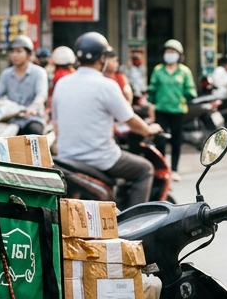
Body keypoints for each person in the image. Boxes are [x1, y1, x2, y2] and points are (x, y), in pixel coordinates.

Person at [52, 33, 161, 209]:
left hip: (66, 158)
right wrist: (148, 130)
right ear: (102, 58)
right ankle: (135, 224)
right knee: (145, 169)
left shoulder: (61, 83)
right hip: (100, 159)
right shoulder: (107, 85)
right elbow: (130, 119)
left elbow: (56, 124)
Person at [148, 39, 197, 181]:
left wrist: (183, 97)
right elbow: (152, 91)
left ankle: (174, 170)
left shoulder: (184, 71)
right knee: (160, 141)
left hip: (178, 111)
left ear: (179, 55)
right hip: (161, 110)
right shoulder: (158, 70)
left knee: (176, 141)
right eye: (167, 51)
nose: (170, 54)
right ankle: (161, 169)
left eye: (173, 52)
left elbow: (190, 91)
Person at [0, 35, 48, 114]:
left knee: (34, 126)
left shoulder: (39, 72)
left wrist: (33, 107)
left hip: (32, 117)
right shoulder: (6, 74)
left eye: (19, 51)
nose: (14, 55)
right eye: (12, 51)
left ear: (29, 54)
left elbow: (41, 95)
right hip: (11, 116)